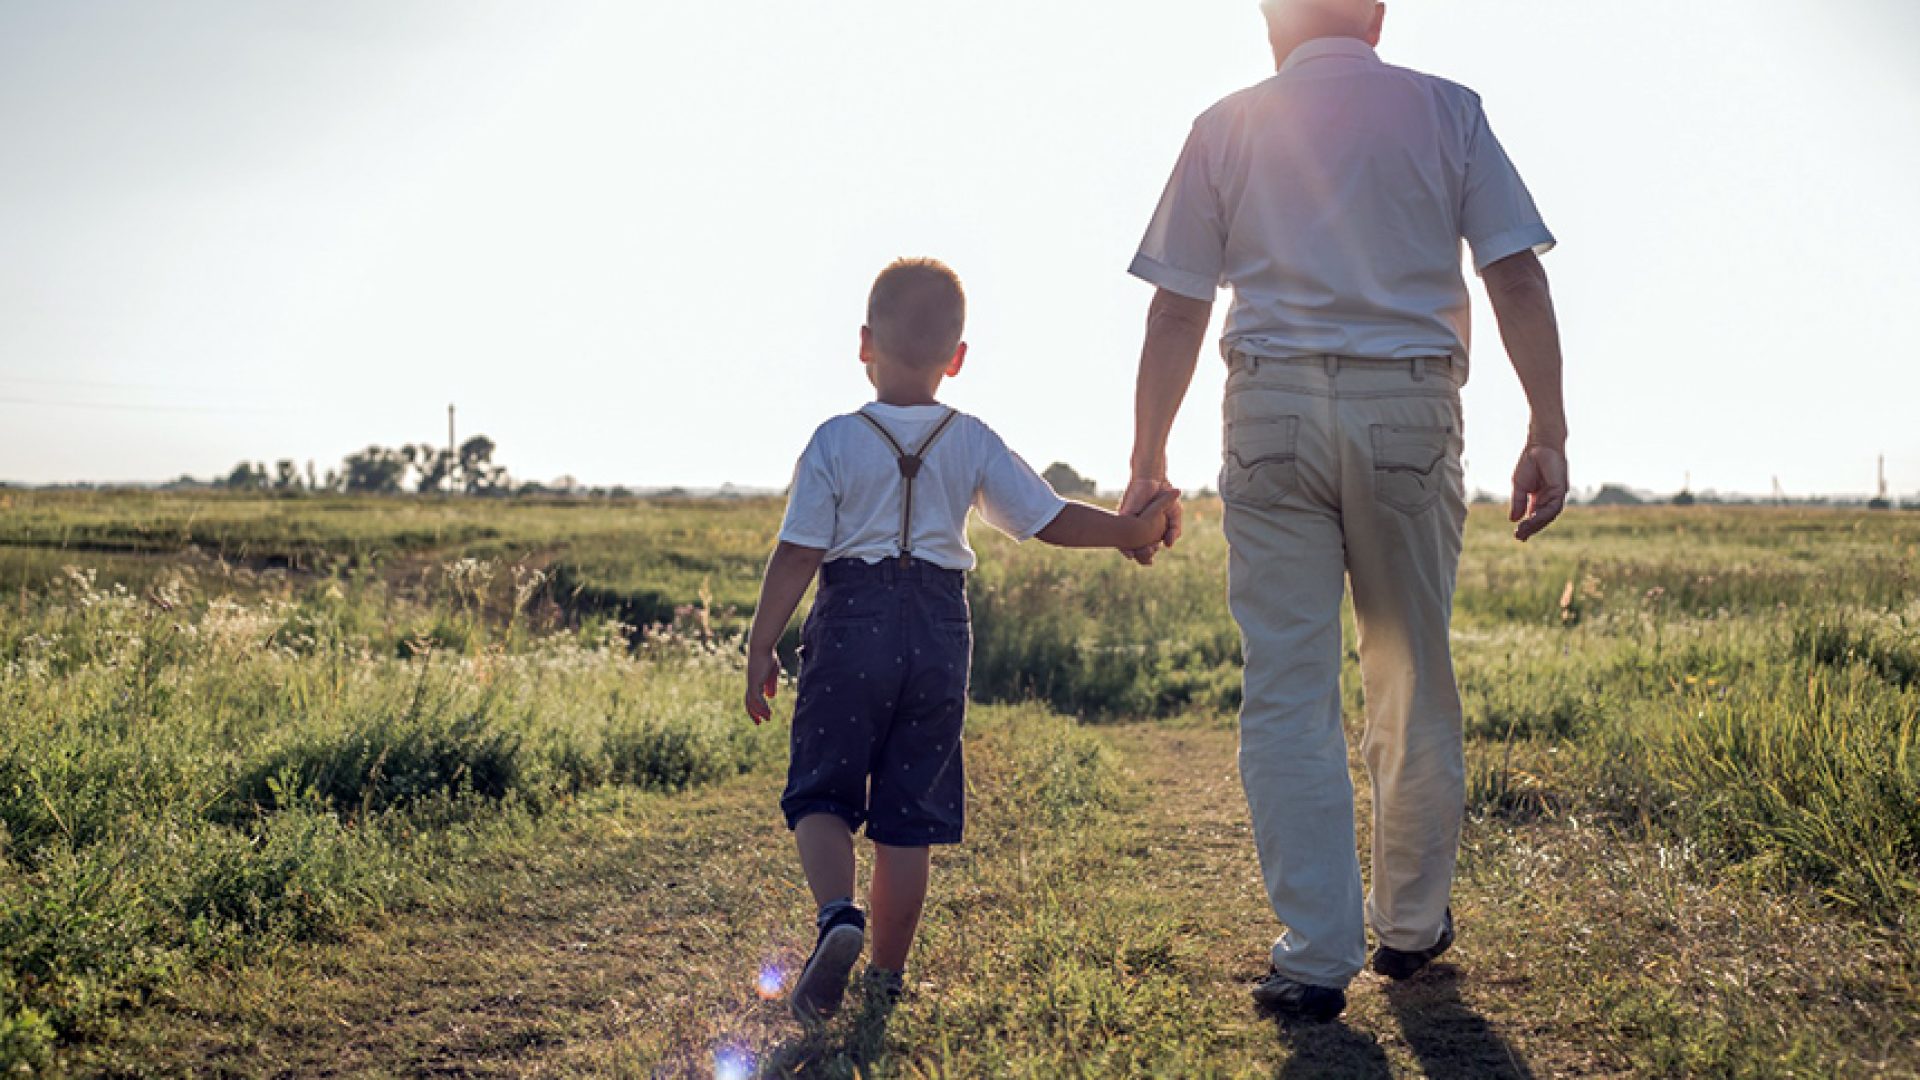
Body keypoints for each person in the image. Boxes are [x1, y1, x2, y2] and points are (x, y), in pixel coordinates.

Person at [1118, 0, 1569, 1021]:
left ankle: (1314, 955)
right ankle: (1410, 930)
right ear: (1376, 14)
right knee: (1410, 669)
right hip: (1408, 404)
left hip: (1270, 404)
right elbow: (1515, 275)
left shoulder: (1225, 122)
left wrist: (1149, 456)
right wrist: (1546, 425)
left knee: (1286, 684)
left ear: (1270, 20)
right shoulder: (1450, 112)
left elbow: (1179, 303)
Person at [742, 258, 1180, 1028]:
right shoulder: (971, 439)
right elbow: (1046, 518)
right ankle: (885, 979)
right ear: (958, 357)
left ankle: (837, 915)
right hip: (940, 630)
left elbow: (800, 553)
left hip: (850, 624)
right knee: (911, 814)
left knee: (823, 789)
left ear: (864, 344)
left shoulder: (836, 441)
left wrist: (761, 643)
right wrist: (1128, 532)